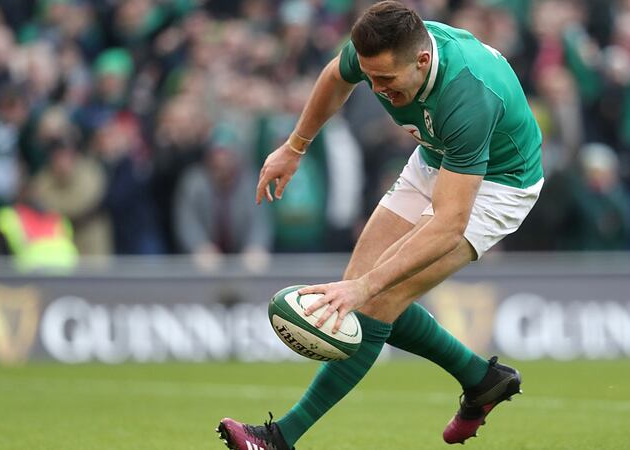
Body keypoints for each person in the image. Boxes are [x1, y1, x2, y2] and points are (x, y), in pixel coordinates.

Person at [217, 2, 544, 449]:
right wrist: (294, 147)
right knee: (364, 291)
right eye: (370, 78)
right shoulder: (379, 49)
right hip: (435, 158)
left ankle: (279, 439)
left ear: (423, 60)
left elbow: (449, 223)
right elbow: (336, 75)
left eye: (386, 80)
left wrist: (367, 287)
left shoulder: (468, 95)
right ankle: (480, 379)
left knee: (373, 296)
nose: (376, 88)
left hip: (500, 184)